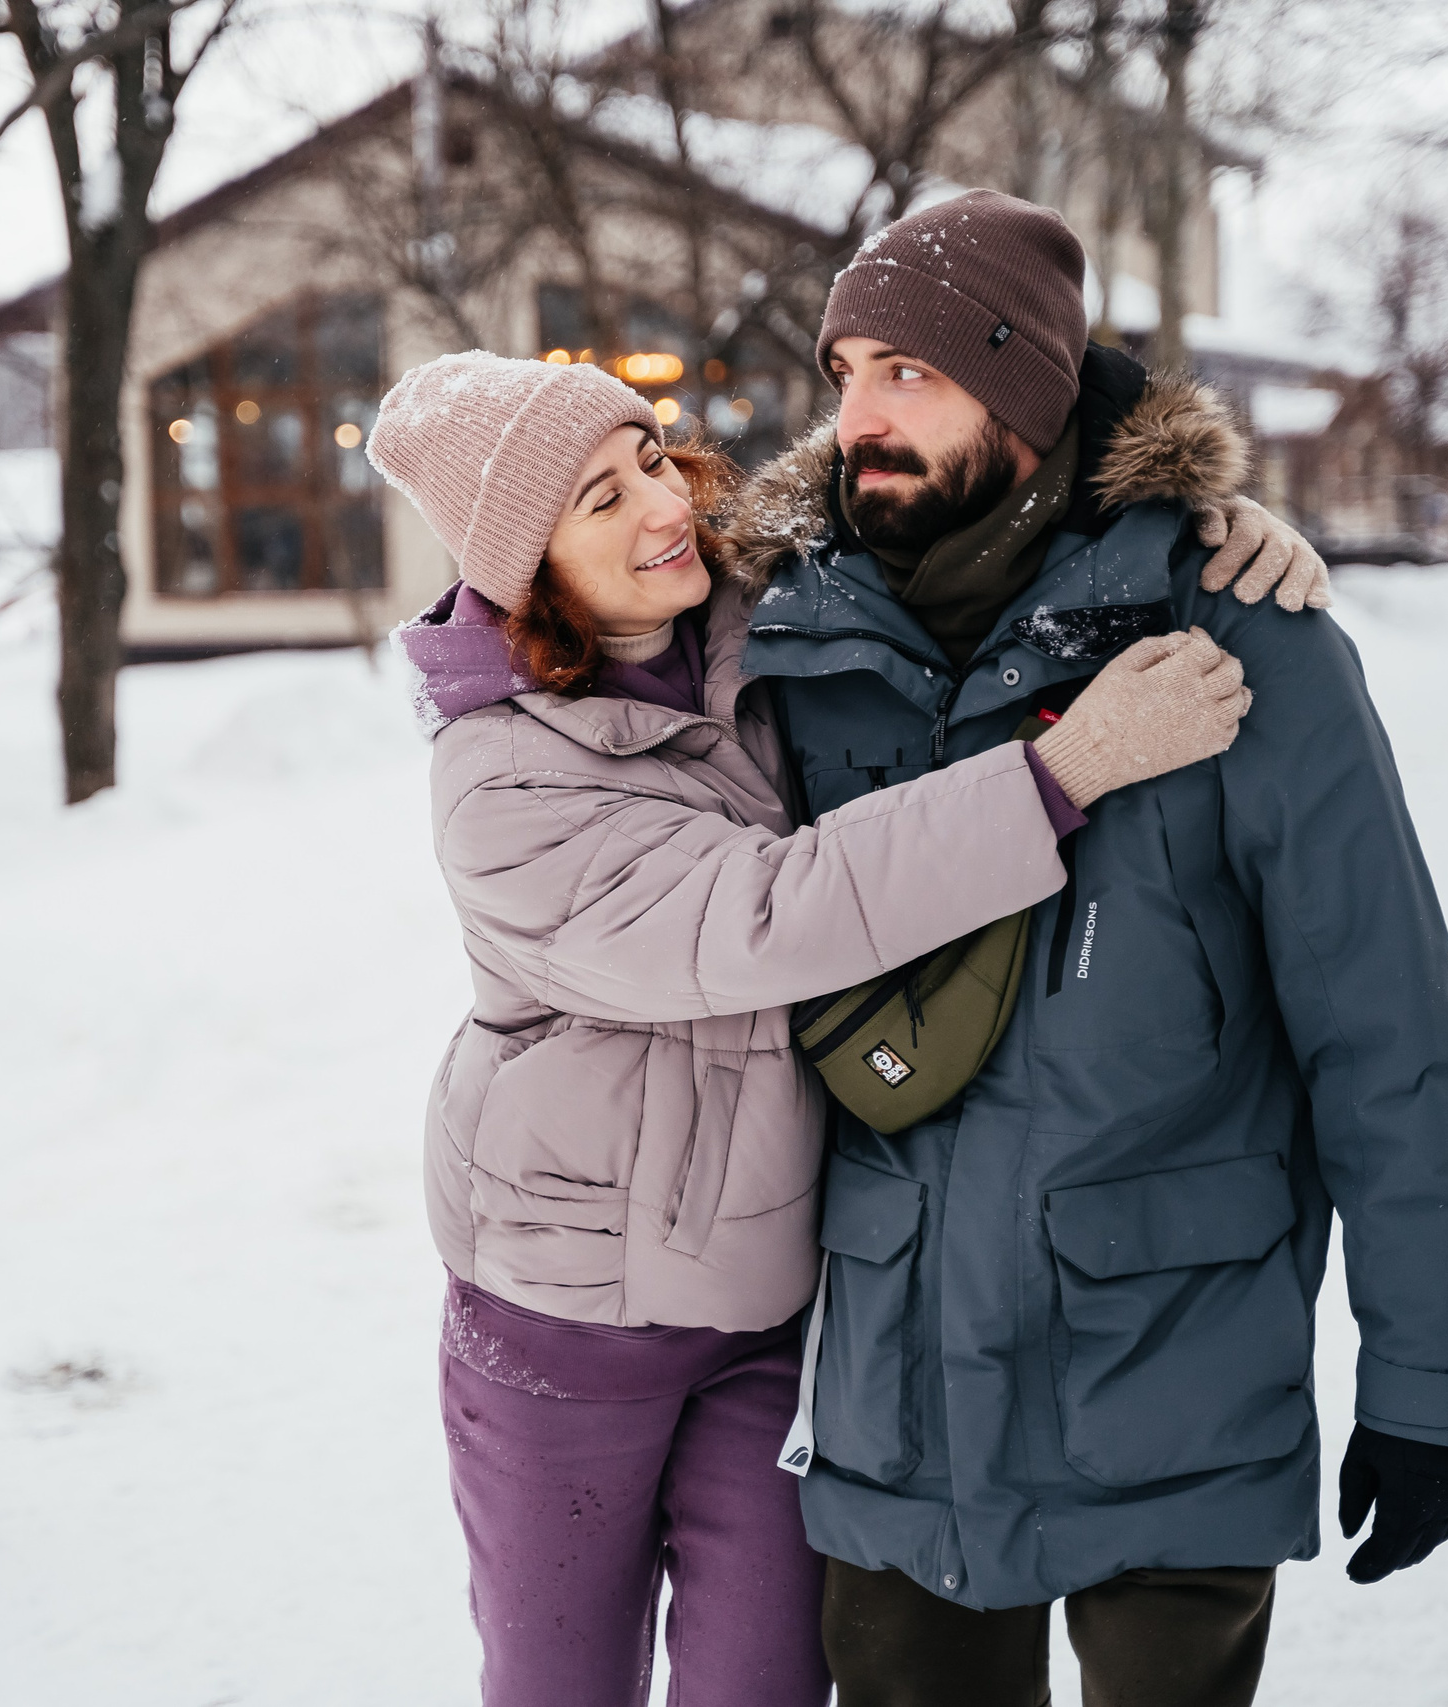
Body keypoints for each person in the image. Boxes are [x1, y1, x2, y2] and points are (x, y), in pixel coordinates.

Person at [366, 349, 1320, 1705]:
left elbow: (962, 519)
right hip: (565, 1323)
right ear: (523, 567)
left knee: (765, 1682)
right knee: (559, 1684)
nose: (663, 506)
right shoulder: (499, 781)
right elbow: (768, 912)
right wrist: (1064, 770)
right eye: (599, 499)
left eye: (650, 458)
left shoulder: (761, 623)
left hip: (766, 1302)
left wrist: (1194, 530)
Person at [717, 189, 1448, 1706]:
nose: (857, 417)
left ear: (1023, 388)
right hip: (896, 1390)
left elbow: (1385, 1035)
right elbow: (579, 606)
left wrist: (1435, 1380)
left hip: (1174, 1364)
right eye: (846, 372)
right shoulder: (789, 640)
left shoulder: (1235, 635)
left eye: (909, 373)